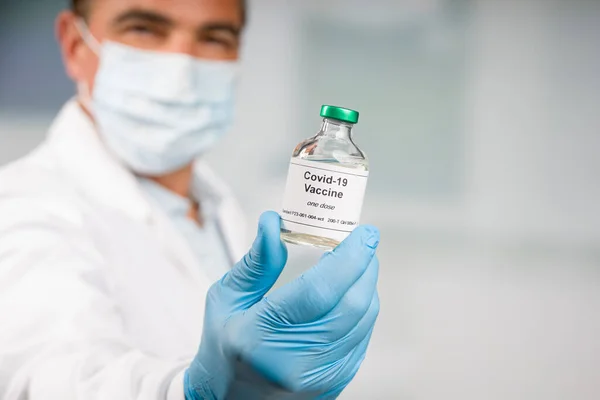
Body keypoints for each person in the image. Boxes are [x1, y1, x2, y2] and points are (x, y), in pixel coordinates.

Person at [0, 0, 381, 399]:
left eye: (214, 37)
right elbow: (52, 377)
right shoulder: (22, 206)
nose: (181, 68)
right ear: (75, 45)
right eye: (144, 29)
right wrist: (196, 390)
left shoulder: (218, 205)